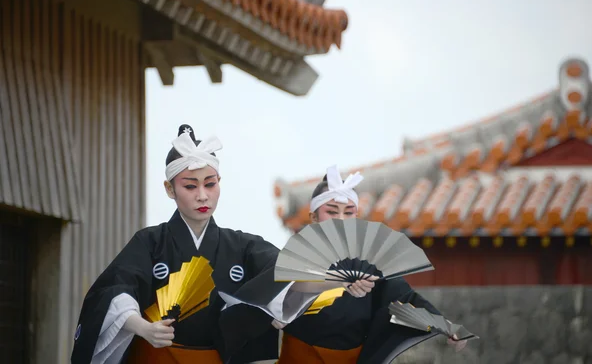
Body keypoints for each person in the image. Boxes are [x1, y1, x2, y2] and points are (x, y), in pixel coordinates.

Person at [71, 126, 374, 364]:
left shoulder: (241, 246)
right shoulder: (150, 242)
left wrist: (338, 281)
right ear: (169, 189)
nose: (202, 195)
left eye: (210, 183)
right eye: (190, 186)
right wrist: (141, 327)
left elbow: (286, 271)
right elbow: (115, 289)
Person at [275, 165, 468, 364]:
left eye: (348, 213)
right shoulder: (295, 259)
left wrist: (445, 325)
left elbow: (404, 298)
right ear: (314, 218)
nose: (341, 219)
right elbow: (273, 299)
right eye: (332, 212)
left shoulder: (369, 265)